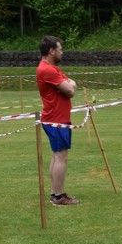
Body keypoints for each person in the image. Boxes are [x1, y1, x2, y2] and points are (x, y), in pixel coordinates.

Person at [36, 35, 80, 206]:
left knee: (57, 156)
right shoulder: (48, 70)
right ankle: (59, 196)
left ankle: (55, 193)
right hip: (56, 119)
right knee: (61, 156)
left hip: (56, 118)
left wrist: (70, 84)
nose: (62, 52)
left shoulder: (53, 68)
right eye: (60, 49)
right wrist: (70, 84)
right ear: (51, 51)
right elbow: (70, 90)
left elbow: (70, 84)